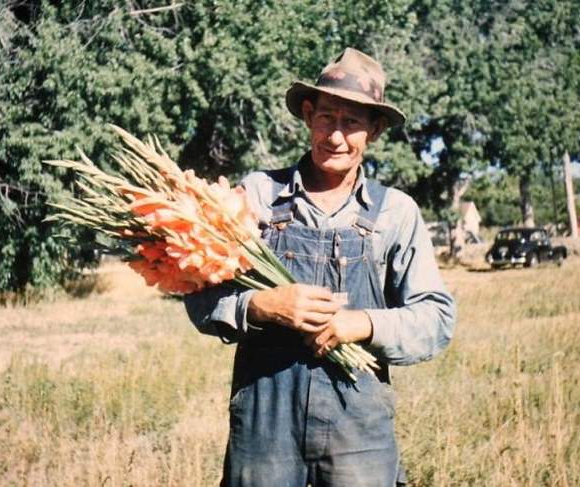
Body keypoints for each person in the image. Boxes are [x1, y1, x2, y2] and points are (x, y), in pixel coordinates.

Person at [184, 48, 456, 487]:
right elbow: (198, 297)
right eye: (327, 117)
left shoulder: (395, 213)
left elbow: (436, 319)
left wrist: (363, 325)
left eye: (352, 123)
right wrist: (260, 305)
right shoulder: (257, 197)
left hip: (358, 425)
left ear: (375, 131)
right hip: (266, 423)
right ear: (308, 115)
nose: (335, 136)